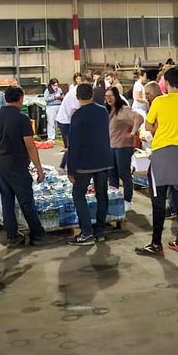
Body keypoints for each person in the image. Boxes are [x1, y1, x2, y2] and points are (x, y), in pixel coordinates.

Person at [139, 67, 178, 256]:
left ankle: (156, 243)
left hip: (161, 153)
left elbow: (148, 125)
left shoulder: (159, 102)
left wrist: (158, 128)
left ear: (167, 83)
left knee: (158, 199)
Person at [0, 86, 48, 247]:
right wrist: (39, 170)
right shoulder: (22, 119)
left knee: (7, 202)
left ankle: (12, 237)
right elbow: (30, 146)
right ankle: (38, 234)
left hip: (0, 165)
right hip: (16, 166)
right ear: (20, 99)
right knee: (26, 201)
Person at [65, 83, 111, 245]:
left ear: (77, 97)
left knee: (78, 195)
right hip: (104, 160)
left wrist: (70, 168)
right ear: (92, 94)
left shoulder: (77, 116)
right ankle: (100, 231)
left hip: (84, 163)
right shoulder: (103, 111)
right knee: (102, 195)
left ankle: (86, 232)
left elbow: (74, 144)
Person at [106, 85, 142, 209]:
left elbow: (139, 118)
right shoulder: (109, 110)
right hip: (111, 146)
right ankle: (114, 198)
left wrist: (132, 132)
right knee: (112, 174)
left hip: (123, 147)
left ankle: (127, 200)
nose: (109, 98)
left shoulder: (124, 109)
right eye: (106, 96)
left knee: (123, 173)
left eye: (111, 96)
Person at [55, 74, 84, 164]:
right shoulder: (74, 95)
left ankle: (67, 164)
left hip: (69, 120)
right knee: (69, 145)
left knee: (73, 144)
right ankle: (66, 165)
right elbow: (78, 109)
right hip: (64, 121)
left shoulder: (76, 91)